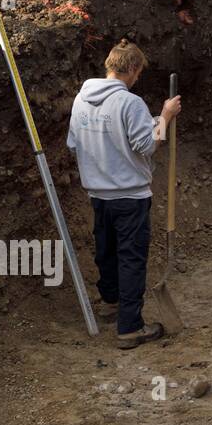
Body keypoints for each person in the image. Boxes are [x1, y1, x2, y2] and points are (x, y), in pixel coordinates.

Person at [67, 39, 181, 349]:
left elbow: (74, 144)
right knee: (131, 258)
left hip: (99, 194)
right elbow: (148, 144)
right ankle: (130, 327)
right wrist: (166, 116)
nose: (138, 78)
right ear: (131, 69)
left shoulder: (81, 100)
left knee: (106, 250)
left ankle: (110, 302)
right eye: (138, 73)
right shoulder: (129, 103)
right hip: (130, 196)